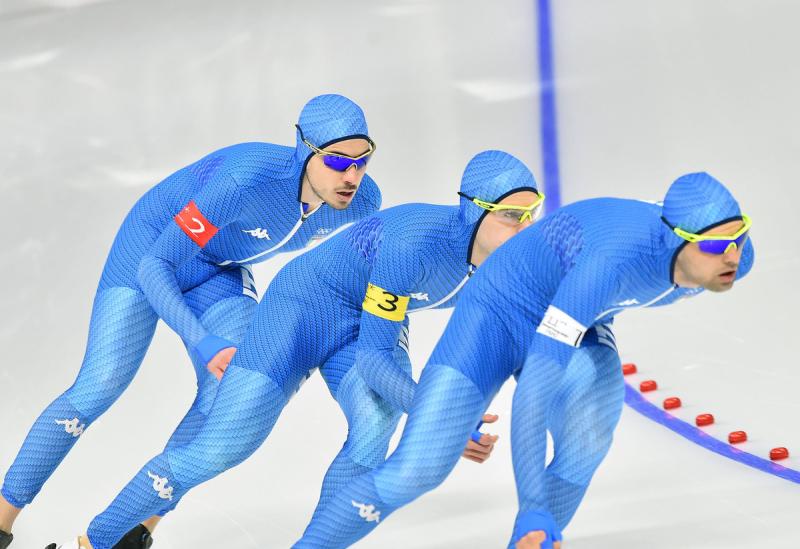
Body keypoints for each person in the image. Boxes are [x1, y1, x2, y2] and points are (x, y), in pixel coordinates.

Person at [55, 150, 544, 549]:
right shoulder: (412, 245)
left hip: (368, 322)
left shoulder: (516, 265)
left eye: (532, 214)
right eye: (510, 216)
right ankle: (98, 541)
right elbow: (375, 361)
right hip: (304, 306)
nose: (525, 230)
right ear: (474, 210)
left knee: (374, 430)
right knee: (223, 446)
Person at [0, 94, 381, 549]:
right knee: (101, 383)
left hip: (217, 269)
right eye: (337, 161)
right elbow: (155, 267)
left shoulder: (362, 203)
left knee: (227, 393)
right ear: (304, 149)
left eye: (362, 160)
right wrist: (201, 340)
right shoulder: (245, 181)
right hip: (150, 250)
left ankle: (130, 532)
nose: (351, 176)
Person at [295, 172, 754, 549]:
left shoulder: (735, 257)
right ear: (675, 238)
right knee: (418, 467)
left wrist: (532, 521)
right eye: (715, 246)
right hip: (495, 314)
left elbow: (727, 245)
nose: (731, 255)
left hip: (577, 315)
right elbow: (534, 392)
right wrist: (531, 504)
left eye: (738, 237)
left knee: (590, 435)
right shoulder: (609, 265)